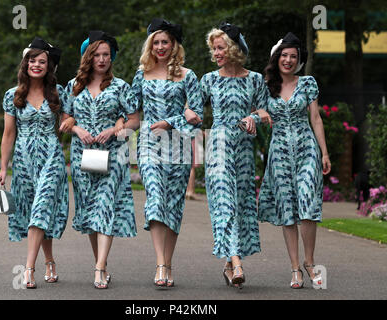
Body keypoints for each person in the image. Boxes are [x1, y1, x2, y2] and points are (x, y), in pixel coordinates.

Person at [127, 18, 203, 287]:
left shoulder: (188, 75)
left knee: (173, 205)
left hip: (179, 145)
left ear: (174, 45)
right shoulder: (141, 75)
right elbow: (131, 113)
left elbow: (199, 115)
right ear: (150, 45)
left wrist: (172, 120)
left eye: (165, 42)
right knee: (156, 199)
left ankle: (168, 263)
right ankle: (160, 263)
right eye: (156, 42)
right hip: (149, 144)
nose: (160, 47)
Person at [62, 31, 139, 289]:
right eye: (97, 54)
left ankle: (99, 267)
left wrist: (116, 130)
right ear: (88, 56)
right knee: (90, 211)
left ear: (111, 57)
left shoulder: (121, 86)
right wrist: (77, 129)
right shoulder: (74, 86)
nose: (102, 59)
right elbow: (64, 120)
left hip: (113, 155)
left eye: (106, 54)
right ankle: (101, 264)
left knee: (106, 206)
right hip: (83, 155)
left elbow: (134, 120)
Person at [0, 37, 73, 289]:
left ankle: (29, 268)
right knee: (34, 213)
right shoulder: (13, 95)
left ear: (48, 66)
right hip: (24, 161)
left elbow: (69, 119)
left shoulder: (59, 92)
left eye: (42, 61)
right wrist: (3, 167)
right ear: (25, 63)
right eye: (32, 60)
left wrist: (69, 122)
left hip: (51, 156)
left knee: (41, 209)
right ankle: (50, 260)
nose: (36, 65)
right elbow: (8, 134)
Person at [199, 23, 271, 289]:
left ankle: (230, 264)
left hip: (243, 150)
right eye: (214, 48)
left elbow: (265, 112)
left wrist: (253, 117)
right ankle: (238, 263)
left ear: (233, 49)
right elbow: (192, 110)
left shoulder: (254, 79)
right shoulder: (208, 79)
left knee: (239, 206)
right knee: (224, 204)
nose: (216, 53)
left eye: (221, 47)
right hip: (218, 147)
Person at [258, 32, 331, 289]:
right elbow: (257, 110)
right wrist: (260, 112)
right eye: (284, 55)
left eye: (293, 57)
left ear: (298, 61)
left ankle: (310, 262)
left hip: (306, 149)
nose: (288, 60)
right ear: (276, 58)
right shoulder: (266, 86)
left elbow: (316, 119)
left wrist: (324, 152)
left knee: (308, 202)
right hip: (278, 153)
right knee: (287, 209)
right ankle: (295, 268)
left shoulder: (308, 83)